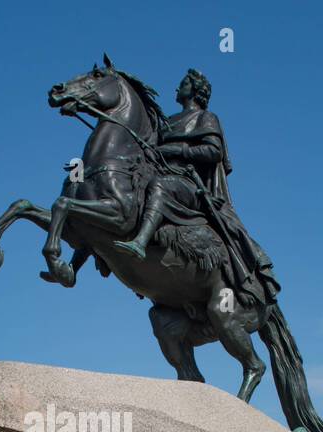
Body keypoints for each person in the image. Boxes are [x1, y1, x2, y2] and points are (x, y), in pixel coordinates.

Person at [112, 69, 279, 308]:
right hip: (163, 177)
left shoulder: (206, 118)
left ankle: (140, 242)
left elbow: (214, 152)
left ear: (195, 90)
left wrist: (178, 151)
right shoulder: (167, 121)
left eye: (182, 84)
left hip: (189, 186)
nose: (177, 88)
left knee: (160, 186)